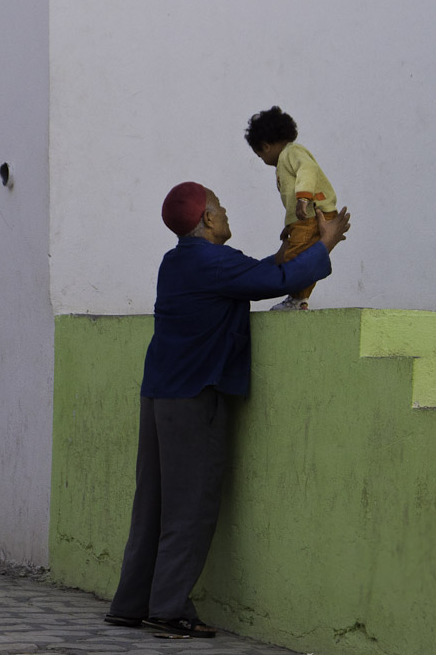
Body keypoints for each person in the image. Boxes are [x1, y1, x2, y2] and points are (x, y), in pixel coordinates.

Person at [104, 181, 350, 640]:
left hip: (160, 392)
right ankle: (169, 607)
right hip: (195, 397)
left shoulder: (178, 260)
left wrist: (293, 237)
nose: (225, 210)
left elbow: (256, 270)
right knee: (190, 507)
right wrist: (327, 241)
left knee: (153, 504)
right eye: (218, 206)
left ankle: (131, 603)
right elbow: (276, 280)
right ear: (208, 220)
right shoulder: (210, 262)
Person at [245, 106, 339, 311]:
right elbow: (291, 202)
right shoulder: (285, 159)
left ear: (265, 145)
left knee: (295, 257)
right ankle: (298, 298)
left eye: (259, 154)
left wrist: (304, 198)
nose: (261, 159)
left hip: (314, 213)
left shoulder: (292, 152)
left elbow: (308, 170)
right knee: (296, 253)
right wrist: (290, 226)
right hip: (305, 217)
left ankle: (297, 300)